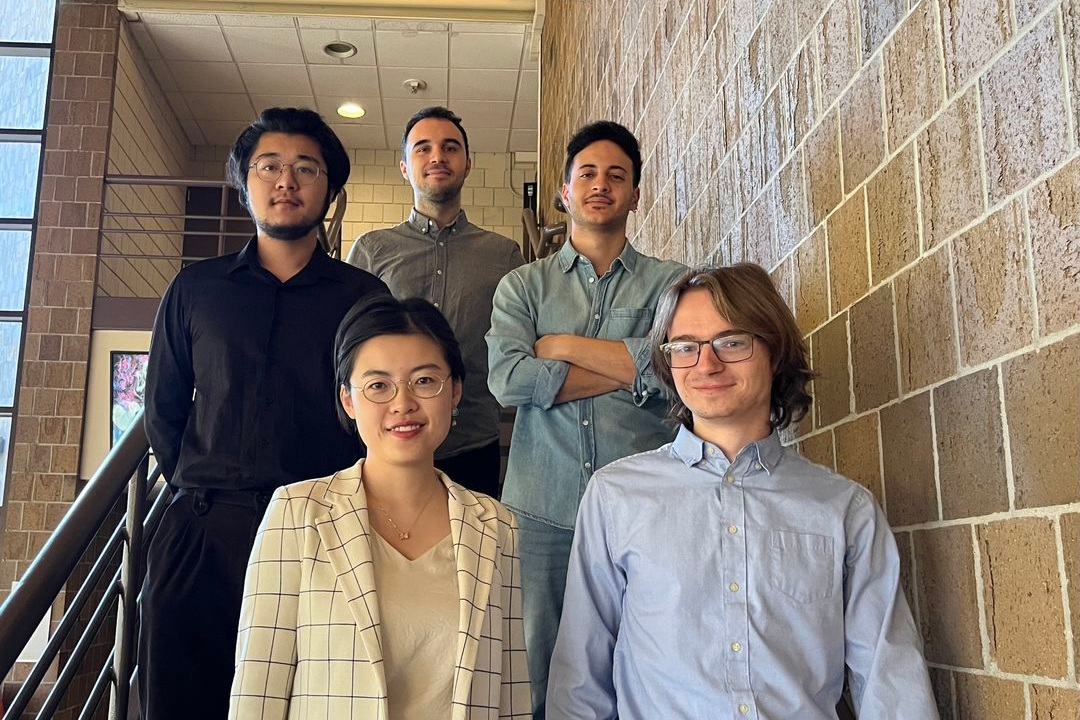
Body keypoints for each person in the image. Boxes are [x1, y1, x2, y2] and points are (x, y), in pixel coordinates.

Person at [546, 265, 940, 720]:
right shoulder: (615, 497)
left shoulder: (843, 508)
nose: (707, 364)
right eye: (685, 347)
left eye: (731, 342)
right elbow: (580, 677)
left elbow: (889, 675)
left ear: (774, 352)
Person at [142, 107, 389, 720]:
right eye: (270, 166)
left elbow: (377, 410)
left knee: (312, 700)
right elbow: (164, 407)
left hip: (321, 530)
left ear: (329, 189)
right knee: (182, 696)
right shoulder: (196, 289)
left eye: (307, 168)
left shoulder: (362, 297)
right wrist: (200, 488)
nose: (287, 180)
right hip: (204, 528)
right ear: (244, 182)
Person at [229, 294, 531, 719]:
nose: (403, 402)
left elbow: (512, 693)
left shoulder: (497, 526)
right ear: (348, 400)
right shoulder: (298, 514)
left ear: (456, 390)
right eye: (378, 385)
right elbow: (257, 690)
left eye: (425, 381)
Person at [485, 120, 686, 718]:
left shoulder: (670, 283)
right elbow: (507, 380)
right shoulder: (522, 285)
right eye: (588, 174)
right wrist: (632, 362)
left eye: (617, 176)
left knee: (645, 658)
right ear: (566, 193)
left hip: (645, 503)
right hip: (542, 508)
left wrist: (559, 345)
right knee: (538, 668)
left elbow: (674, 373)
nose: (602, 185)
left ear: (635, 195)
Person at [347, 106, 524, 498]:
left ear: (467, 164)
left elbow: (517, 343)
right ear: (405, 167)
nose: (437, 157)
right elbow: (348, 348)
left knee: (471, 557)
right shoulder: (372, 251)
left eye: (450, 148)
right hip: (387, 440)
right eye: (422, 149)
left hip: (473, 440)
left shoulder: (503, 255)